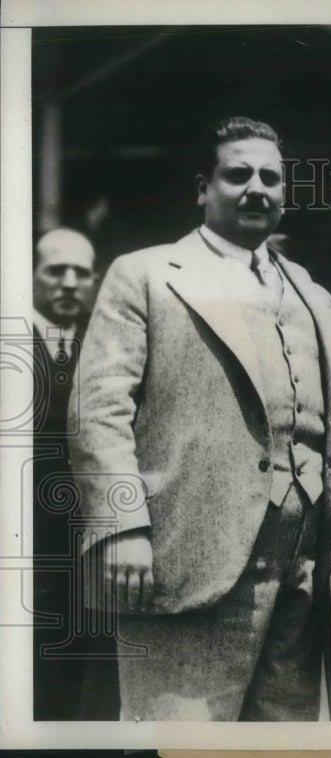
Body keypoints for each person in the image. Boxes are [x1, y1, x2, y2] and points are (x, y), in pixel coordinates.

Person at [68, 116, 331, 721]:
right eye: (237, 174)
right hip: (184, 560)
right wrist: (121, 526)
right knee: (180, 737)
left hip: (305, 573)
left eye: (271, 176)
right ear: (202, 189)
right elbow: (98, 411)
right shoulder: (146, 275)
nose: (256, 188)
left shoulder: (313, 295)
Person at [32, 228, 120, 720]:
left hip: (87, 542)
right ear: (30, 276)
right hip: (21, 538)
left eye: (80, 273)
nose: (69, 283)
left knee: (85, 669)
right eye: (55, 270)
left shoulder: (107, 345)